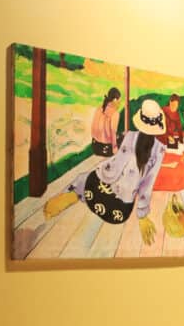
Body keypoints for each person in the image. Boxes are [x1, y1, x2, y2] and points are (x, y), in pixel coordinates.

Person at [43, 98, 167, 245]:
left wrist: (102, 171)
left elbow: (116, 163)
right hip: (119, 209)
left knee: (89, 176)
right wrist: (142, 215)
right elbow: (147, 184)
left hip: (95, 189)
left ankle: (76, 192)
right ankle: (77, 193)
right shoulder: (160, 149)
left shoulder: (130, 135)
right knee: (112, 182)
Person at [90, 87, 121, 157]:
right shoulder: (115, 113)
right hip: (106, 149)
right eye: (119, 100)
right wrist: (114, 148)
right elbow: (113, 132)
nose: (119, 102)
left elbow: (93, 127)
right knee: (123, 138)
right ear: (115, 99)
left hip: (95, 146)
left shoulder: (99, 108)